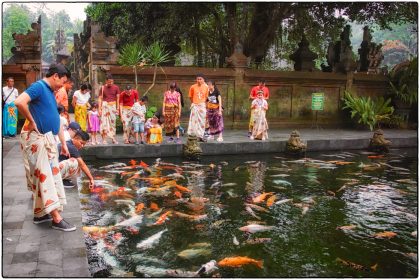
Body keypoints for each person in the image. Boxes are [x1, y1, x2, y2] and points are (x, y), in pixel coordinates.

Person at [14, 63, 78, 232]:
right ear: (55, 76)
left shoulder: (50, 91)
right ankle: (56, 218)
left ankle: (41, 213)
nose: (62, 86)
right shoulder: (39, 87)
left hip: (48, 138)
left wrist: (63, 143)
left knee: (50, 174)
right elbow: (19, 102)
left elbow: (54, 118)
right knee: (45, 176)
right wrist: (32, 120)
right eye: (62, 81)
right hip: (36, 138)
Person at [98, 74, 120, 144]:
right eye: (109, 82)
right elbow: (100, 99)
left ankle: (113, 138)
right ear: (106, 81)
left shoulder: (116, 87)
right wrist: (99, 109)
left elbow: (118, 98)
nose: (110, 83)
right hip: (105, 107)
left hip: (113, 107)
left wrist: (118, 108)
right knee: (104, 123)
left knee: (113, 123)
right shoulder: (102, 88)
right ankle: (104, 139)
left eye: (111, 82)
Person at [188, 73, 209, 142]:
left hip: (202, 105)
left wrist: (203, 104)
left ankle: (200, 136)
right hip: (195, 106)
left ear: (203, 80)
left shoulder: (206, 87)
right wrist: (194, 103)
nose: (199, 80)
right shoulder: (193, 87)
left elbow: (206, 97)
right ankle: (194, 135)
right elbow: (190, 97)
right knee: (194, 121)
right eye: (197, 79)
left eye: (200, 79)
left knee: (202, 121)